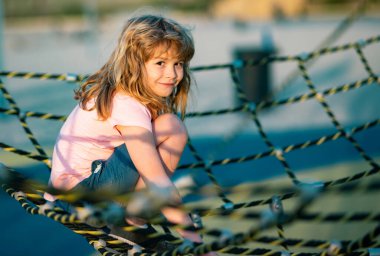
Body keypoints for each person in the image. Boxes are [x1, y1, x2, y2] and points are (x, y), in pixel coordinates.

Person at [47, 14, 216, 255]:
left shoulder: (125, 94)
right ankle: (129, 221)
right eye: (160, 63)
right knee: (171, 126)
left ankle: (130, 219)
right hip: (82, 198)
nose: (172, 74)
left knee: (170, 125)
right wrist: (199, 245)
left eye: (178, 63)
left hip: (77, 191)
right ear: (135, 64)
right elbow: (158, 182)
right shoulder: (127, 104)